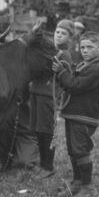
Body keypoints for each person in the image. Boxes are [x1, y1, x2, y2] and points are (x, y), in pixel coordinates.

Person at [52, 31, 99, 196]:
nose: (85, 50)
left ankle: (87, 187)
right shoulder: (85, 65)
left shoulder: (96, 68)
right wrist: (66, 70)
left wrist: (62, 73)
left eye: (90, 47)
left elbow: (75, 85)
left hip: (83, 116)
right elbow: (74, 77)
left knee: (80, 150)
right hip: (74, 114)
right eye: (83, 47)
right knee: (73, 149)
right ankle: (77, 182)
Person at [29, 18, 75, 180]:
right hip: (36, 93)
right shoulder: (52, 49)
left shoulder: (64, 55)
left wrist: (60, 70)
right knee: (37, 130)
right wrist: (37, 32)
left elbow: (67, 80)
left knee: (46, 131)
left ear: (70, 38)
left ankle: (48, 166)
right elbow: (41, 43)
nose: (59, 36)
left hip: (48, 97)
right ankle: (43, 163)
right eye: (57, 32)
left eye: (64, 34)